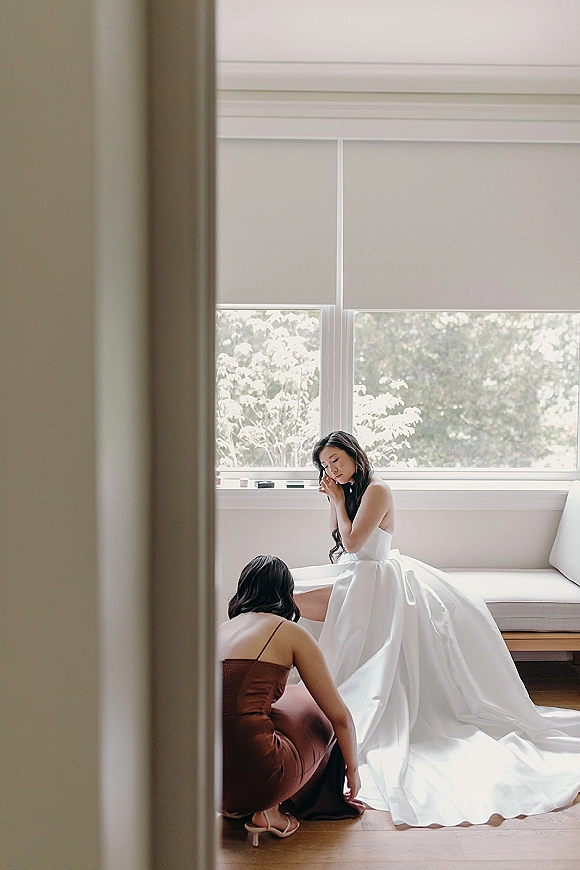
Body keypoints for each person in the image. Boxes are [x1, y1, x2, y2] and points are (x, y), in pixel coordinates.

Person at [292, 431, 580, 827]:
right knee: (287, 583)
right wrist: (335, 499)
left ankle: (311, 678)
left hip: (376, 575)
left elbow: (357, 543)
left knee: (301, 595)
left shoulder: (376, 489)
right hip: (360, 574)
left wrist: (339, 501)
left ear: (354, 456)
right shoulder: (350, 490)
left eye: (335, 461)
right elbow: (343, 542)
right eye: (324, 465)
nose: (331, 470)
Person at [219, 554, 363, 846]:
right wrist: (353, 770)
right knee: (315, 707)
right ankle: (268, 811)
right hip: (264, 778)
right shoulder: (290, 633)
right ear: (287, 593)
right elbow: (340, 717)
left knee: (262, 709)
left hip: (211, 780)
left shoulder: (220, 631)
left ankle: (235, 805)